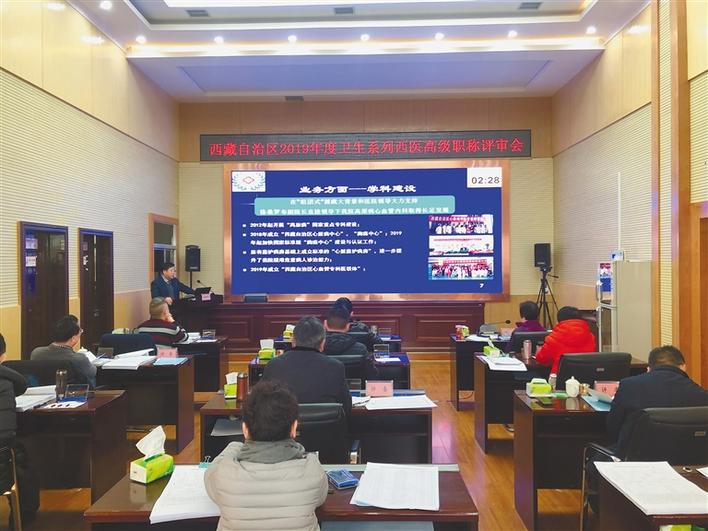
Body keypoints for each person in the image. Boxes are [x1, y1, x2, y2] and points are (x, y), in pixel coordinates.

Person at [204, 380, 328, 531]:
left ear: (245, 430)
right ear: (294, 428)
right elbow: (320, 498)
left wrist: (235, 445)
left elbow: (209, 476)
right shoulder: (312, 470)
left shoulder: (224, 474)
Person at [607, 345, 708, 455]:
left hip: (637, 459)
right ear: (683, 367)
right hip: (688, 460)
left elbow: (613, 428)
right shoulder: (701, 394)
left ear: (649, 369)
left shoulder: (628, 386)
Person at [262, 316, 351, 415]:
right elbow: (346, 407)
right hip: (324, 424)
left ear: (293, 341)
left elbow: (260, 403)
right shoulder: (335, 367)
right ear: (323, 344)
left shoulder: (274, 365)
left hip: (283, 424)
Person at [0, 334, 39, 524]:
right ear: (3, 356)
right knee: (18, 456)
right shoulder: (7, 381)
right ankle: (22, 518)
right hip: (3, 459)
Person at [30, 315, 97, 387]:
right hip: (73, 392)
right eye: (80, 331)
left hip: (43, 391)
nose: (81, 332)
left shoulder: (36, 353)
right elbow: (92, 372)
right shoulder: (79, 359)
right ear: (73, 338)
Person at [534, 306, 595, 374]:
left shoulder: (553, 338)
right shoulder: (591, 337)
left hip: (559, 378)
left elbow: (541, 360)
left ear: (559, 322)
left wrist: (538, 351)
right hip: (586, 378)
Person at [323, 306, 378, 381]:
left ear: (325, 324)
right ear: (348, 326)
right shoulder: (360, 349)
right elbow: (372, 376)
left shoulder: (316, 349)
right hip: (356, 388)